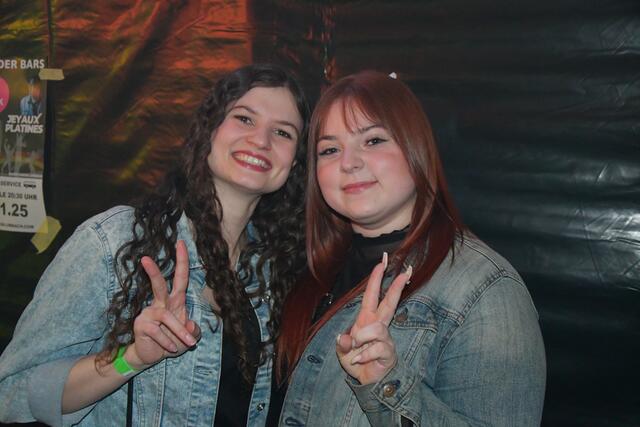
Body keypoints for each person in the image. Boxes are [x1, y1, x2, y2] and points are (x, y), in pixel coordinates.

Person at [0, 63, 309, 426]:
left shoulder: (273, 271)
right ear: (209, 129)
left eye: (283, 132)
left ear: (295, 162)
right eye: (244, 118)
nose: (261, 140)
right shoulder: (116, 241)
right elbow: (13, 393)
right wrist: (129, 359)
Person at [276, 70, 546, 426]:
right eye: (330, 149)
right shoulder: (307, 270)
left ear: (416, 148)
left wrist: (384, 383)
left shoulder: (485, 289)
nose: (348, 162)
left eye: (373, 140)